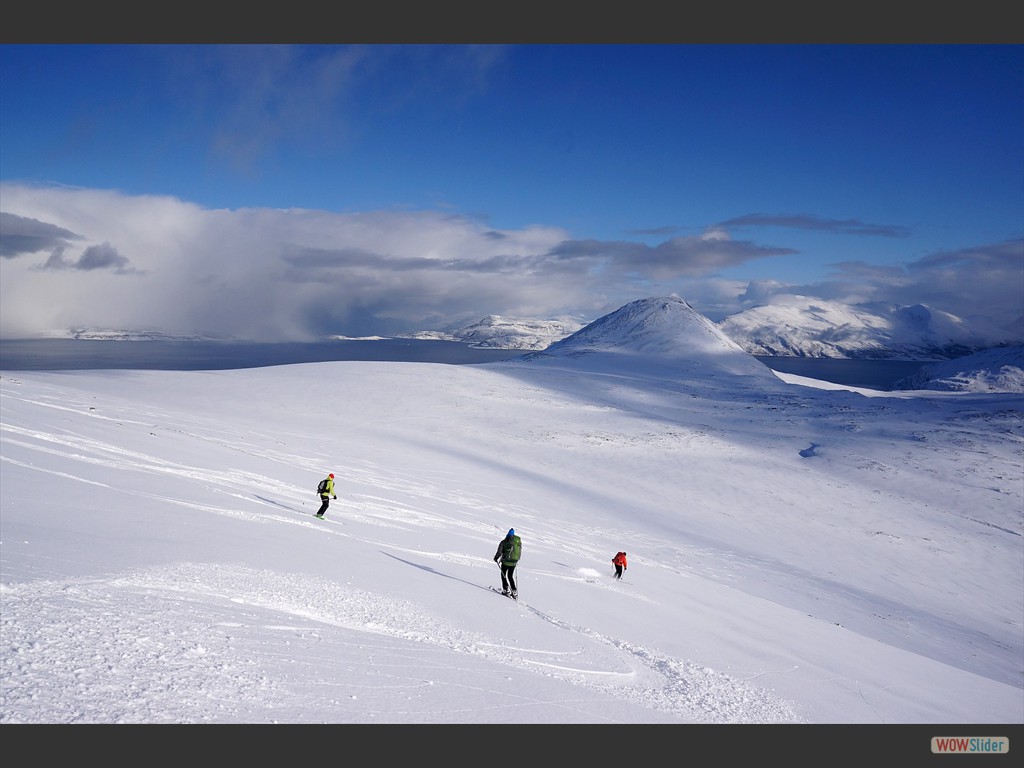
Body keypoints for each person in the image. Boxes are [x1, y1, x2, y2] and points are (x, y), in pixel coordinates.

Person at [493, 528, 522, 599]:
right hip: (514, 562)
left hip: (506, 562)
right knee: (510, 576)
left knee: (503, 575)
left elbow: (499, 552)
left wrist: (496, 558)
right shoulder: (517, 542)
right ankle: (514, 590)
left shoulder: (504, 542)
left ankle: (506, 589)